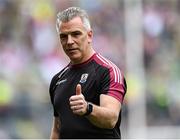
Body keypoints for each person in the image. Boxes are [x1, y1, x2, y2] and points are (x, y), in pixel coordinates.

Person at [49, 7, 127, 139]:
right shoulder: (57, 80)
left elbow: (111, 119)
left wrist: (87, 108)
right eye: (63, 36)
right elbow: (57, 129)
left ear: (89, 35)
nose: (69, 41)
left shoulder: (108, 71)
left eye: (76, 34)